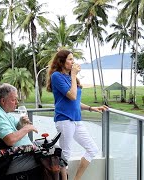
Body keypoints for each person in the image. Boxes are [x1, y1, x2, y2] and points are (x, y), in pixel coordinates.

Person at [46, 49, 108, 180]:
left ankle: (76, 178)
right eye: (69, 59)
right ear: (61, 62)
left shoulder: (70, 77)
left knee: (92, 149)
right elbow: (72, 96)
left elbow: (75, 102)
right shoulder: (56, 76)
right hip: (64, 120)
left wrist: (91, 108)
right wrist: (73, 75)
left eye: (72, 59)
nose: (72, 61)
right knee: (66, 153)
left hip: (76, 120)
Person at [0, 83, 39, 175]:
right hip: (11, 159)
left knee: (53, 150)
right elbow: (10, 139)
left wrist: (21, 123)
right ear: (3, 101)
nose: (17, 103)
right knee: (52, 156)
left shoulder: (3, 112)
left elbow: (15, 128)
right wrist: (27, 128)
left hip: (19, 153)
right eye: (14, 100)